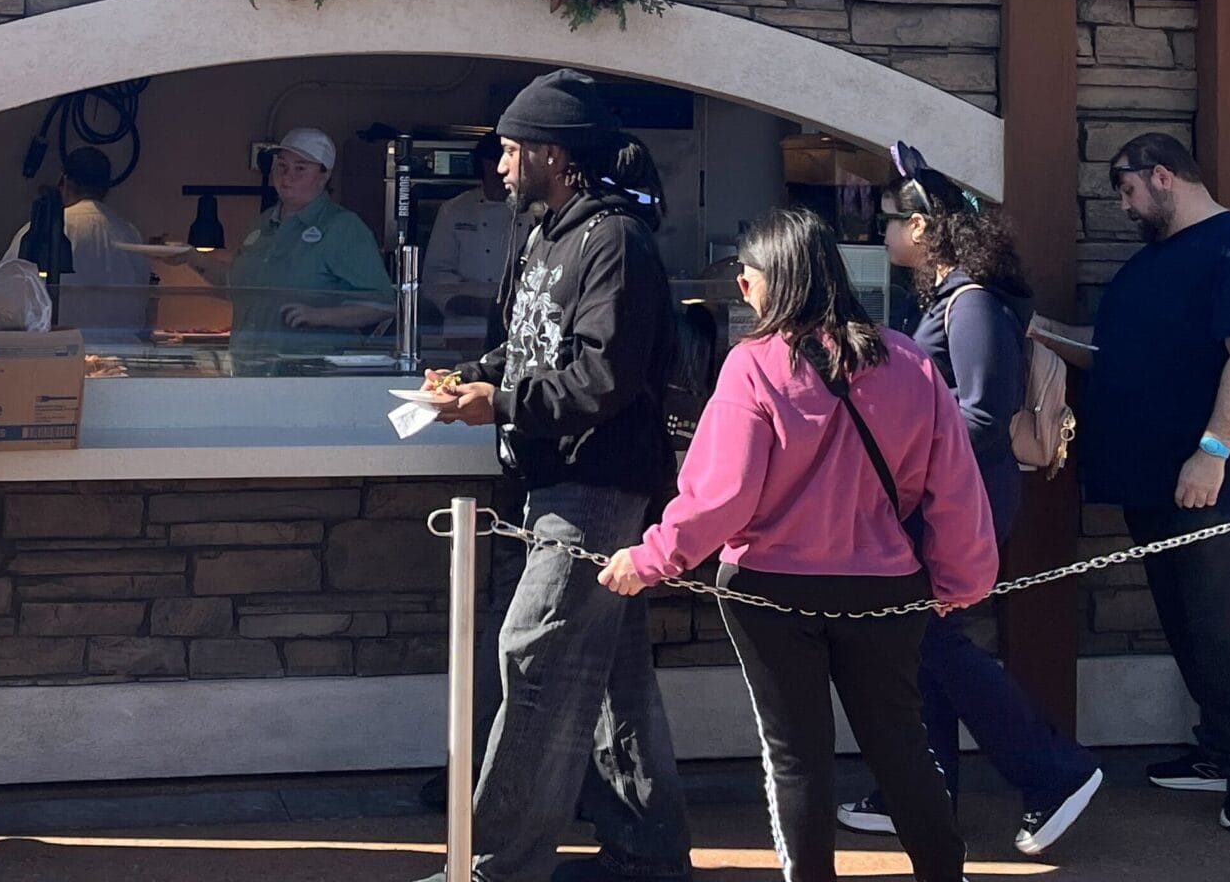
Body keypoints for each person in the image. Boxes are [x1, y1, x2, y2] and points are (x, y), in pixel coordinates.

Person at [599, 206, 997, 882]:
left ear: (772, 282)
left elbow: (721, 496)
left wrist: (651, 557)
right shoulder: (908, 362)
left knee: (795, 757)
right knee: (902, 746)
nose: (742, 291)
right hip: (885, 587)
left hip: (768, 589)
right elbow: (956, 488)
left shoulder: (752, 367)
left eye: (746, 279)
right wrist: (962, 581)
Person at [419, 69, 692, 882]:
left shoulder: (614, 242)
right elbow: (529, 345)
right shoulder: (539, 233)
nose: (498, 164)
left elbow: (604, 380)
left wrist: (497, 402)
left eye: (509, 149)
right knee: (613, 676)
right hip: (545, 482)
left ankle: (495, 865)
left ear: (553, 152)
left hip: (598, 486)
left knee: (531, 656)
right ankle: (649, 851)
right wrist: (473, 376)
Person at [1034, 132, 1230, 836]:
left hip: (1219, 484)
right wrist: (1032, 329)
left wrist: (1212, 451)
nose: (1123, 205)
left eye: (1126, 188)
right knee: (1190, 621)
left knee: (1228, 622)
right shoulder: (1153, 263)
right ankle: (1219, 751)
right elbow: (1110, 353)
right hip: (1153, 482)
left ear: (1162, 175)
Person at [840, 161, 1102, 858]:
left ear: (923, 227)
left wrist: (898, 434)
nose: (883, 232)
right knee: (922, 646)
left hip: (961, 500)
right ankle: (922, 791)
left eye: (891, 221)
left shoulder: (973, 301)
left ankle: (1054, 772)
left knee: (930, 641)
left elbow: (985, 411)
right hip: (950, 496)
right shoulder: (955, 298)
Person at [229, 127, 395, 363]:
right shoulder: (264, 222)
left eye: (300, 168)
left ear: (324, 176)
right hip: (247, 364)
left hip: (309, 369)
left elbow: (382, 305)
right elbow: (235, 285)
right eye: (282, 165)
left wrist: (320, 315)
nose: (287, 175)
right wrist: (192, 258)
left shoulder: (343, 227)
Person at [424, 132, 519, 334]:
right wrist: (471, 304)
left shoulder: (533, 212)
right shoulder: (455, 209)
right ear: (485, 166)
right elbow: (434, 275)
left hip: (517, 321)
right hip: (465, 326)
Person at [54, 145, 154, 334]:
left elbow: (8, 290)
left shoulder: (49, 229)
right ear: (106, 189)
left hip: (65, 350)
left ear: (65, 182)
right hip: (122, 353)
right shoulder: (130, 234)